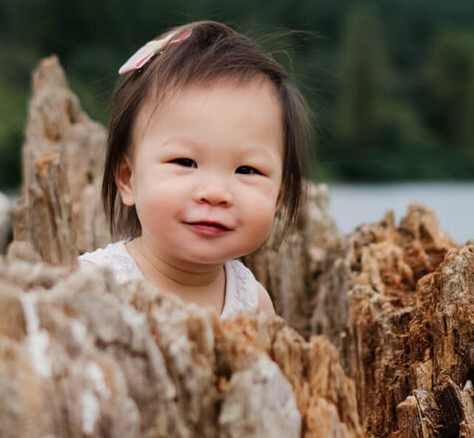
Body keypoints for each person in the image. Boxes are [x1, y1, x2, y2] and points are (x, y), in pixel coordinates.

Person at [77, 21, 310, 318]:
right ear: (127, 179)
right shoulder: (93, 287)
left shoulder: (253, 304)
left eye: (247, 169)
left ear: (278, 196)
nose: (215, 193)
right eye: (185, 163)